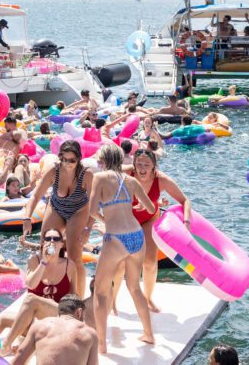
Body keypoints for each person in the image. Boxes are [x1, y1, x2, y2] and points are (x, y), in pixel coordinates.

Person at [89, 144, 155, 353]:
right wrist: (136, 207)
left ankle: (101, 344)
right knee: (135, 288)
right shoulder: (132, 180)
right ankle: (148, 334)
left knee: (100, 292)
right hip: (137, 236)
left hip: (115, 237)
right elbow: (152, 208)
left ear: (104, 160)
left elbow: (91, 210)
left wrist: (104, 221)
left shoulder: (100, 178)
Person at [112, 149, 191, 313]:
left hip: (149, 218)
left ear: (154, 167)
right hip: (127, 219)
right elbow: (102, 177)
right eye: (139, 163)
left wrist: (187, 222)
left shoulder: (161, 180)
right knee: (120, 262)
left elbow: (185, 201)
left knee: (149, 261)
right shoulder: (126, 173)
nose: (142, 168)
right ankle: (112, 300)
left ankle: (148, 298)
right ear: (133, 164)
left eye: (146, 164)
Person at [22, 140, 94, 298]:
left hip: (78, 211)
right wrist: (27, 217)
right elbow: (35, 195)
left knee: (75, 256)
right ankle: (41, 291)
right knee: (45, 247)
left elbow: (95, 204)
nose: (68, 163)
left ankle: (77, 301)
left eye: (72, 160)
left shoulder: (86, 174)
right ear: (60, 158)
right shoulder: (53, 171)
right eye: (64, 159)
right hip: (56, 208)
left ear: (79, 159)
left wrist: (88, 229)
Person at [0, 228, 77, 355]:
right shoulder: (35, 260)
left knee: (31, 299)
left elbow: (74, 297)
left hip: (58, 317)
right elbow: (30, 284)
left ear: (62, 244)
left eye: (56, 239)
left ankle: (5, 346)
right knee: (4, 318)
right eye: (48, 239)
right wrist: (44, 262)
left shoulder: (70, 265)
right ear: (43, 243)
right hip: (35, 321)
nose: (52, 242)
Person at [12, 294, 98, 365]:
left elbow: (18, 360)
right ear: (79, 312)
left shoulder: (39, 326)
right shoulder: (90, 333)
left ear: (59, 311)